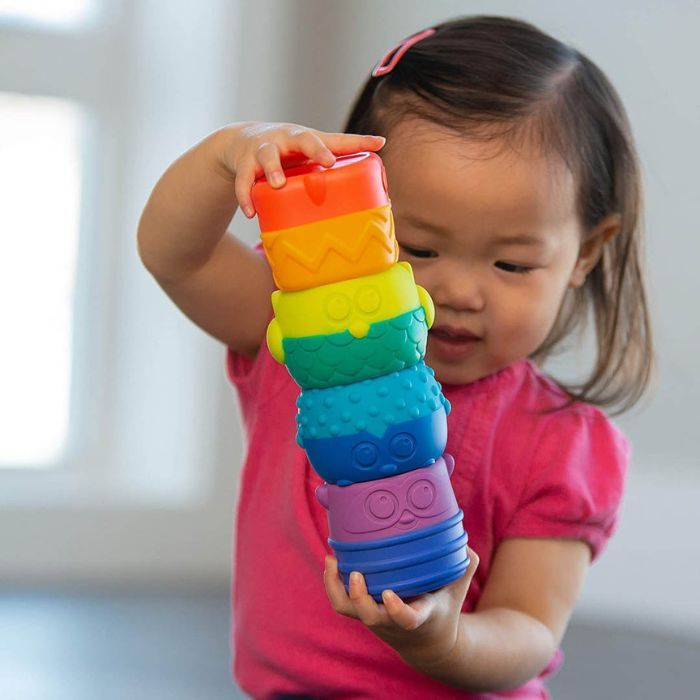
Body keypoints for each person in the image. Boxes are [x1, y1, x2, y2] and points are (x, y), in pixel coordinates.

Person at [137, 14, 655, 700]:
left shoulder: (561, 443)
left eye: (511, 262)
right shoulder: (298, 325)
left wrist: (445, 639)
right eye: (416, 247)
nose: (458, 291)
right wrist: (230, 152)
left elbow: (530, 631)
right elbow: (174, 255)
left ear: (585, 253)